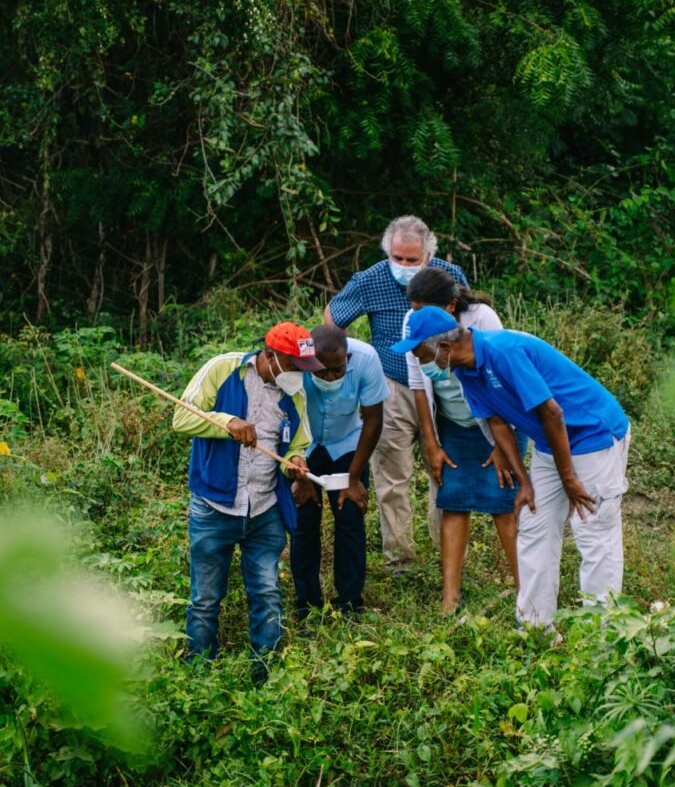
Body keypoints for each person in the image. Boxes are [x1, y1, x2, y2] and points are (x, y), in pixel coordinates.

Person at [392, 306, 630, 628]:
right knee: (533, 525)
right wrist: (525, 482)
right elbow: (497, 422)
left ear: (445, 348)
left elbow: (553, 413)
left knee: (592, 529)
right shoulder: (465, 371)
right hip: (549, 442)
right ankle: (534, 628)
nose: (421, 364)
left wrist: (569, 478)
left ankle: (603, 633)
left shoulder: (503, 351)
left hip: (592, 435)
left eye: (422, 356)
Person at [172, 322, 322, 670]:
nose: (300, 375)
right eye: (295, 366)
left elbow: (299, 442)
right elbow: (181, 417)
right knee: (205, 598)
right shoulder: (222, 368)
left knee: (267, 593)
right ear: (271, 355)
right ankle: (199, 670)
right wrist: (226, 423)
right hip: (215, 506)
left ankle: (266, 671)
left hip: (265, 508)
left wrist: (296, 462)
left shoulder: (295, 393)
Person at [324, 215, 467, 573]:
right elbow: (333, 318)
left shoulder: (450, 277)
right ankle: (400, 560)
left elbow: (466, 325)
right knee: (391, 475)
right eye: (397, 258)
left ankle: (447, 556)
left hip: (440, 384)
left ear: (428, 255)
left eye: (411, 259)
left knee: (445, 469)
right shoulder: (370, 279)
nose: (403, 265)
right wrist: (353, 361)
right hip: (392, 384)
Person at [394, 268, 526, 612]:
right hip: (452, 421)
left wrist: (502, 446)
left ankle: (527, 593)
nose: (416, 315)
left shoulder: (482, 318)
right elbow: (419, 385)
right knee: (452, 501)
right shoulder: (413, 322)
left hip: (497, 421)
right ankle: (450, 598)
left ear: (450, 306)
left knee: (504, 504)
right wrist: (432, 444)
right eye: (414, 308)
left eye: (425, 309)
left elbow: (501, 382)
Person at [290, 325, 389, 618]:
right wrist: (300, 476)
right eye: (322, 372)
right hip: (303, 446)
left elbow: (373, 419)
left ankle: (349, 603)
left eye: (338, 370)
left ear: (348, 358)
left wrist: (353, 478)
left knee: (350, 518)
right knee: (304, 520)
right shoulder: (295, 362)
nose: (331, 377)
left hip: (347, 445)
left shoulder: (366, 359)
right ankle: (306, 603)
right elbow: (284, 415)